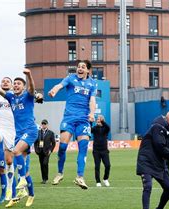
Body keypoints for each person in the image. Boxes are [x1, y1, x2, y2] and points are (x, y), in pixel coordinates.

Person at [0, 69, 38, 208]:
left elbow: (32, 88)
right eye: (15, 83)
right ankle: (29, 194)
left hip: (30, 131)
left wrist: (29, 75)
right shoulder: (11, 97)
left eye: (19, 83)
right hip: (18, 134)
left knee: (16, 152)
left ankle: (22, 182)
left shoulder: (28, 97)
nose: (16, 85)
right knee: (21, 167)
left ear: (23, 87)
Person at [49, 60, 96, 189]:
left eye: (83, 67)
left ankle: (80, 177)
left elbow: (92, 100)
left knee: (83, 147)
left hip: (83, 120)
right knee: (63, 147)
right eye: (78, 67)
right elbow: (59, 85)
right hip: (69, 118)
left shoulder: (92, 83)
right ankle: (60, 173)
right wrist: (54, 91)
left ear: (87, 70)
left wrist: (92, 113)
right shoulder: (70, 78)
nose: (80, 69)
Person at [137, 112, 169, 209]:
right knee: (148, 187)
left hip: (159, 164)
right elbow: (160, 147)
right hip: (146, 162)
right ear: (166, 118)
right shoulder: (156, 127)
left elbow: (164, 150)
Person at [92, 114, 111, 187]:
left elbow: (108, 127)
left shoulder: (105, 128)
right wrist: (90, 122)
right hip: (96, 151)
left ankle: (105, 179)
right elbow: (90, 129)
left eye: (99, 120)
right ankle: (98, 181)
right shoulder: (95, 128)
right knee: (97, 166)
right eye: (97, 120)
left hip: (104, 151)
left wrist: (102, 121)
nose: (98, 121)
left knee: (108, 165)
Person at [34, 119, 56, 184]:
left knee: (45, 163)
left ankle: (46, 178)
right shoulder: (38, 132)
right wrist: (36, 150)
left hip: (47, 152)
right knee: (41, 165)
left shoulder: (51, 133)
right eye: (43, 124)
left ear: (47, 125)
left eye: (45, 124)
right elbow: (35, 142)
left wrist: (50, 150)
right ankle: (43, 179)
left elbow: (54, 143)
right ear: (41, 125)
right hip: (40, 151)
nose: (44, 125)